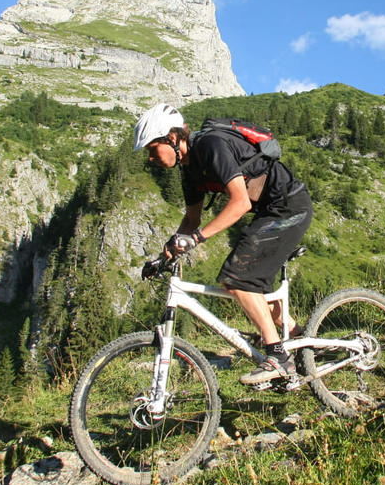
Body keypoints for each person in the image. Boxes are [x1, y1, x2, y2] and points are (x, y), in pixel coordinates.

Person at [133, 103, 313, 384]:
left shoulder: (210, 146)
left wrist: (197, 238)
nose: (150, 159)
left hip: (289, 207)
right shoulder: (189, 171)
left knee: (237, 277)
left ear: (171, 137)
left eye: (151, 149)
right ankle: (304, 344)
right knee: (255, 291)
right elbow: (191, 220)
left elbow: (240, 203)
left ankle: (277, 357)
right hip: (270, 212)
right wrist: (165, 254)